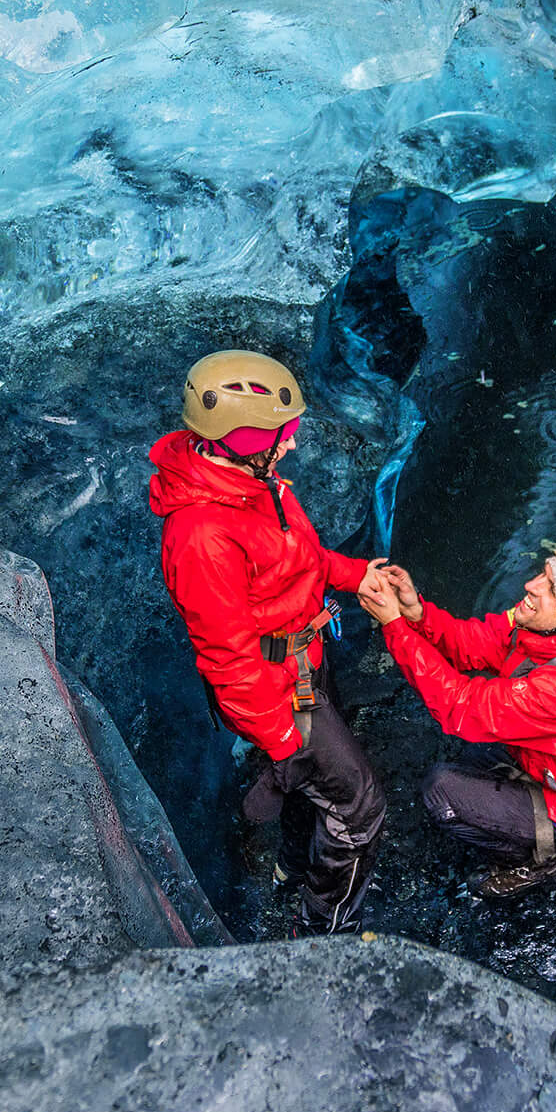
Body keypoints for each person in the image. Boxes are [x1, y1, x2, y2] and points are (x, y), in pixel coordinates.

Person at [147, 349, 386, 935]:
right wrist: (283, 739)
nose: (294, 445)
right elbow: (228, 659)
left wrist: (356, 575)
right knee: (361, 808)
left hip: (302, 660)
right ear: (245, 439)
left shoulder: (251, 484)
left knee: (318, 791)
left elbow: (295, 559)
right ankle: (323, 930)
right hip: (276, 687)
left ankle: (292, 866)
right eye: (285, 434)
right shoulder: (202, 535)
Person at [357, 538, 556, 898]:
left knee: (441, 790)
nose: (531, 585)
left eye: (551, 587)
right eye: (542, 573)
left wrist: (395, 627)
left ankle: (543, 860)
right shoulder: (555, 634)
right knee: (469, 758)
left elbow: (458, 706)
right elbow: (479, 643)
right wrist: (418, 615)